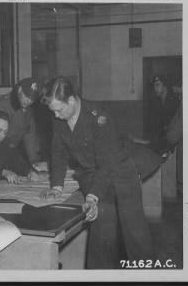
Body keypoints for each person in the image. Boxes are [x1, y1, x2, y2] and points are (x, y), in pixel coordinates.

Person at [39, 77, 154, 269]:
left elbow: (106, 165)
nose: (57, 116)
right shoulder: (59, 119)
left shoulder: (99, 117)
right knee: (101, 225)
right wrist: (56, 187)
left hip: (120, 172)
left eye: (59, 110)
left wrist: (92, 196)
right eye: (53, 111)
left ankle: (149, 275)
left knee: (134, 231)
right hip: (91, 174)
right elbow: (58, 153)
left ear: (72, 101)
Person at [0, 77, 44, 169]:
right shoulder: (2, 105)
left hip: (13, 152)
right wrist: (23, 167)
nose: (29, 101)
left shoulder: (28, 108)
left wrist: (34, 161)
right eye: (26, 96)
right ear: (19, 89)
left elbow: (30, 135)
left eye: (32, 99)